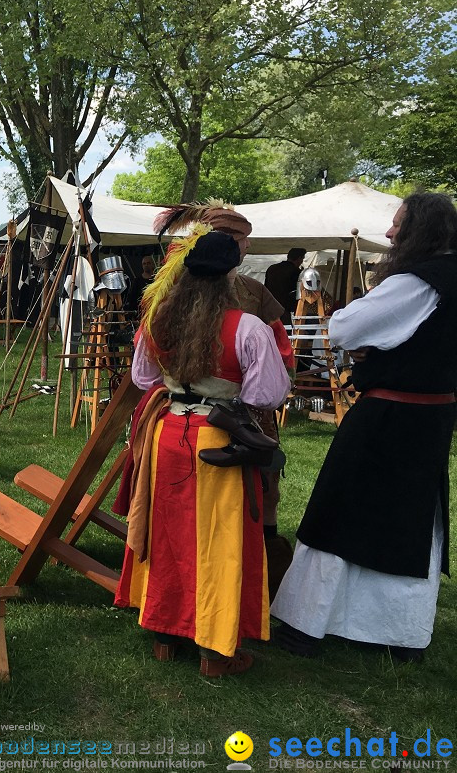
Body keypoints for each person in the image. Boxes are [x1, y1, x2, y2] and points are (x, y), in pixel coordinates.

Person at [272, 192, 457, 662]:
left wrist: (372, 346)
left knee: (341, 511)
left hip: (388, 417)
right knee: (408, 522)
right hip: (430, 420)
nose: (391, 233)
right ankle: (397, 633)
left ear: (420, 231)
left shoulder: (419, 282)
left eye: (397, 225)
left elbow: (344, 329)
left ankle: (307, 624)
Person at [114, 229, 290, 677]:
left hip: (169, 435)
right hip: (219, 438)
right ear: (232, 274)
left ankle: (165, 637)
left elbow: (142, 377)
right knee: (218, 543)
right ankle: (215, 651)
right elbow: (268, 393)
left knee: (170, 537)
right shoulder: (245, 327)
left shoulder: (160, 319)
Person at [152, 201, 297, 598]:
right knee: (221, 513)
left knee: (250, 497)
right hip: (220, 424)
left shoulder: (244, 293)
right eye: (240, 241)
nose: (245, 248)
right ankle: (233, 591)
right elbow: (274, 371)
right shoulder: (179, 293)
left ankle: (254, 572)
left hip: (191, 422)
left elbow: (144, 368)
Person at [265, 248, 308, 325]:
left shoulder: (272, 268)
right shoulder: (296, 272)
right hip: (287, 310)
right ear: (299, 258)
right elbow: (297, 293)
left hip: (269, 307)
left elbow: (266, 288)